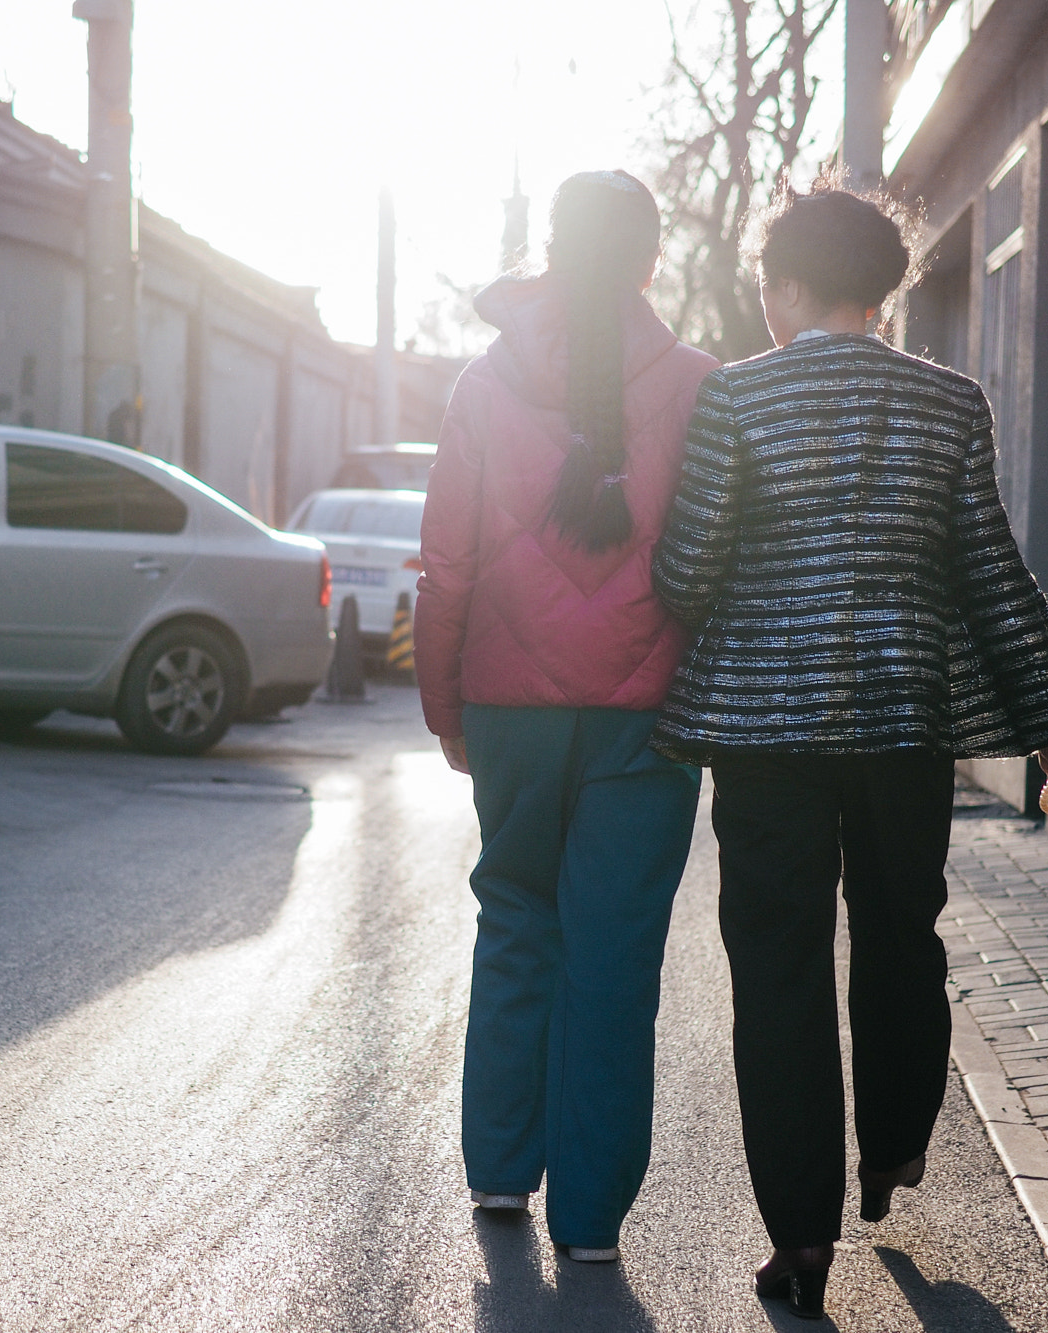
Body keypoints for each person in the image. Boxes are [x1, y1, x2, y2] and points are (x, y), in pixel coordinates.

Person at [649, 182, 1048, 1320]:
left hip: (763, 734)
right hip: (902, 721)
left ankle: (798, 1242)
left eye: (765, 283)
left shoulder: (736, 400)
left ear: (789, 285)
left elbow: (687, 571)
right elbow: (988, 572)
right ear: (881, 287)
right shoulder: (948, 404)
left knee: (778, 970)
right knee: (900, 934)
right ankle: (893, 1146)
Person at [414, 170, 721, 1263]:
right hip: (649, 719)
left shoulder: (484, 382)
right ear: (650, 261)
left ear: (549, 253)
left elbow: (444, 563)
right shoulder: (697, 385)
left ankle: (499, 1172)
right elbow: (717, 566)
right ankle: (588, 1220)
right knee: (613, 962)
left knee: (514, 923)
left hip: (507, 707)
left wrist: (446, 707)